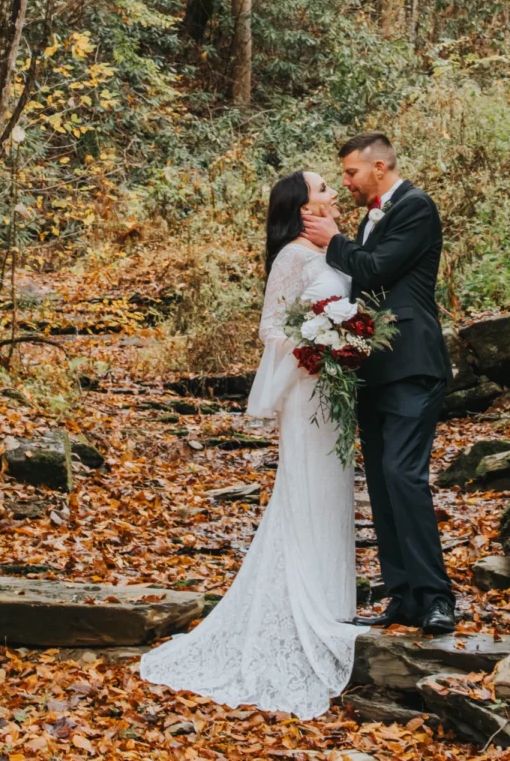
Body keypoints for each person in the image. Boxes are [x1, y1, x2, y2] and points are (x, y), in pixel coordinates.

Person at [140, 169, 358, 719]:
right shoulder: (291, 256)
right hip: (307, 388)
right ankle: (296, 603)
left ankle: (333, 600)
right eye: (324, 188)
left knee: (334, 491)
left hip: (336, 392)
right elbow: (270, 328)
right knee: (305, 487)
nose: (333, 193)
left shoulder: (337, 249)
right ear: (301, 205)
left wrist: (348, 341)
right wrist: (316, 346)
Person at [301, 131, 455, 635]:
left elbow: (378, 268)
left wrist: (332, 242)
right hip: (370, 367)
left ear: (381, 167)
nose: (345, 181)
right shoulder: (370, 217)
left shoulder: (415, 207)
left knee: (404, 475)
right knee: (385, 485)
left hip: (413, 363)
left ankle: (437, 598)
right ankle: (403, 596)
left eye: (350, 172)